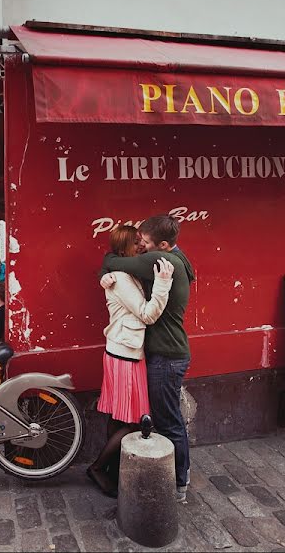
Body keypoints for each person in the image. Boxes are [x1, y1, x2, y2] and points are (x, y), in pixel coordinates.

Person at [101, 214, 195, 501]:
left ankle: (179, 483)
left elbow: (114, 262)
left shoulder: (160, 262)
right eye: (138, 241)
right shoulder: (177, 257)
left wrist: (106, 270)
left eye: (145, 242)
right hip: (163, 353)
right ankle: (175, 477)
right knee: (165, 420)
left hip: (166, 356)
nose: (141, 246)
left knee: (169, 423)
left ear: (163, 245)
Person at [87, 227, 174, 497]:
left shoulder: (123, 273)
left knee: (118, 418)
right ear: (124, 247)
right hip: (126, 354)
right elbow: (148, 314)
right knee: (134, 421)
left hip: (121, 349)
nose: (141, 246)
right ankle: (98, 468)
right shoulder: (123, 278)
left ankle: (113, 468)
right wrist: (163, 283)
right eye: (136, 242)